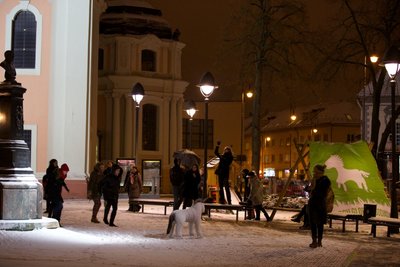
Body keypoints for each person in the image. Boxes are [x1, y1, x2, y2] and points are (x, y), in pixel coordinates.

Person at [308, 164, 331, 248]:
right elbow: (309, 189)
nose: (314, 173)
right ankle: (314, 240)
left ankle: (319, 241)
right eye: (314, 172)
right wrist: (310, 186)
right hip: (312, 203)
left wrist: (313, 186)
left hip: (320, 204)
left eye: (315, 171)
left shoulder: (325, 180)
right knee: (312, 223)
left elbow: (321, 192)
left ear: (320, 172)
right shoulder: (314, 180)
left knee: (319, 223)